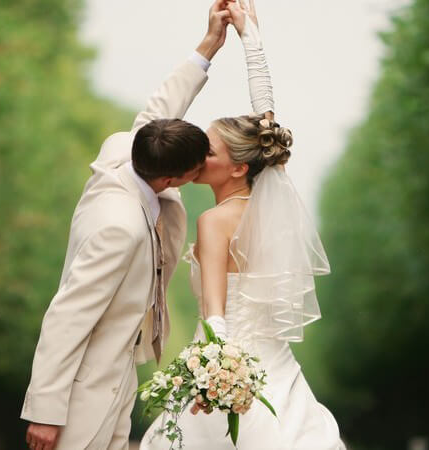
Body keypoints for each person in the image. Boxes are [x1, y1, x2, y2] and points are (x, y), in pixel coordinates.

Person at [20, 2, 234, 449]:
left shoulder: (127, 151)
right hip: (88, 385)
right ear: (171, 179)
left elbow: (159, 110)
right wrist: (45, 410)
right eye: (197, 172)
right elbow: (68, 314)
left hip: (121, 367)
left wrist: (209, 45)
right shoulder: (119, 228)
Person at [140, 1, 345, 449]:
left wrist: (215, 373)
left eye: (209, 151)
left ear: (237, 169)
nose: (199, 155)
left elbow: (215, 314)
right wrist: (250, 39)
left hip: (226, 366)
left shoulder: (215, 221)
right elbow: (266, 115)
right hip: (276, 366)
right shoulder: (269, 203)